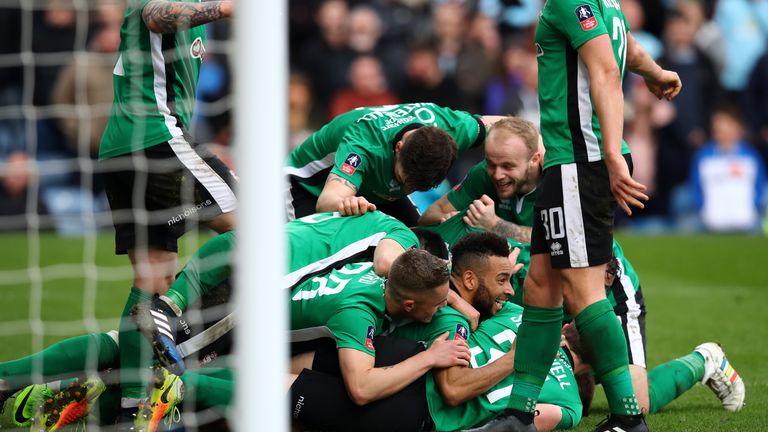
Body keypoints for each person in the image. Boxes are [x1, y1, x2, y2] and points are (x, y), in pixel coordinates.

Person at [498, 1, 682, 431]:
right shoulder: (606, 4)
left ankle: (628, 419)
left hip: (583, 162)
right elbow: (624, 48)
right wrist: (655, 72)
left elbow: (604, 71)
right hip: (569, 163)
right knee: (542, 287)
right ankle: (519, 413)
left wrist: (614, 152)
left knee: (583, 292)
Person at [288, 232, 580, 432]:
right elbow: (451, 387)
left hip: (398, 376)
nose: (509, 291)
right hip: (410, 397)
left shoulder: (505, 315)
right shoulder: (570, 402)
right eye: (502, 280)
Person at [97, 0, 236, 415]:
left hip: (120, 149)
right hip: (158, 137)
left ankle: (133, 401)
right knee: (262, 233)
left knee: (152, 277)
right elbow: (155, 13)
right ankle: (183, 326)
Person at [285, 102, 503, 225]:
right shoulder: (365, 143)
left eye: (416, 188)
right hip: (306, 186)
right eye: (404, 180)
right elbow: (328, 201)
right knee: (321, 249)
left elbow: (501, 125)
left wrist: (537, 147)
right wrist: (348, 203)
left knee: (415, 239)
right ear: (398, 148)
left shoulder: (452, 127)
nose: (407, 190)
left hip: (371, 189)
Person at [419, 116, 542, 242]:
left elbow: (553, 241)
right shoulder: (482, 173)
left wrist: (494, 224)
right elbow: (428, 217)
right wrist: (448, 219)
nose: (498, 175)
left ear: (534, 159)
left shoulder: (556, 183)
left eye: (507, 166)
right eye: (491, 163)